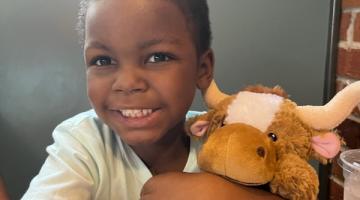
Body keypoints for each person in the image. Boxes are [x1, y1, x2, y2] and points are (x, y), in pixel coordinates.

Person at [22, 0, 282, 199]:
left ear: (202, 69)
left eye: (158, 57)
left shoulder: (229, 140)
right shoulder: (83, 142)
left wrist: (224, 195)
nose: (127, 83)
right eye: (103, 60)